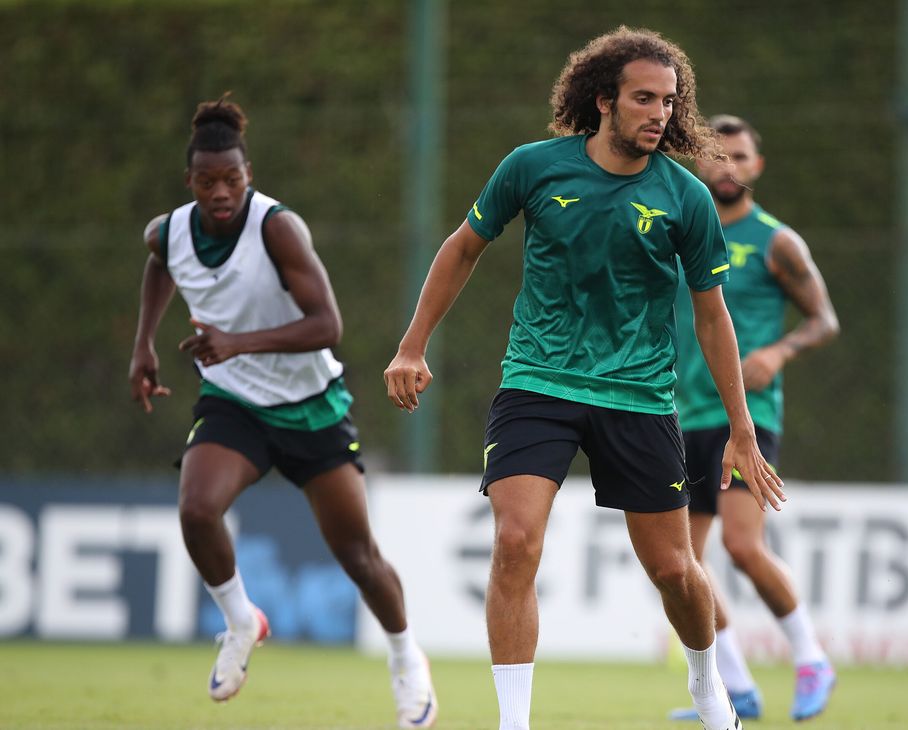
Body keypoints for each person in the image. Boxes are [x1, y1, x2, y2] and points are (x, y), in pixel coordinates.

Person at [384, 27, 786, 730]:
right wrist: (411, 345)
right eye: (643, 99)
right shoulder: (533, 168)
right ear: (604, 101)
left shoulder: (686, 198)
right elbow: (463, 247)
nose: (659, 113)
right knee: (514, 541)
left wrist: (740, 429)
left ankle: (706, 681)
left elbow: (713, 319)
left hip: (638, 397)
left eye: (668, 100)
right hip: (538, 382)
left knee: (674, 571)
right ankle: (515, 724)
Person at [128, 95, 437, 728]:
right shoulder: (168, 230)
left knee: (358, 556)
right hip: (235, 402)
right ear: (189, 182)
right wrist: (143, 347)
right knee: (196, 508)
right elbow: (160, 263)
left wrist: (234, 342)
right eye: (208, 182)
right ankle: (241, 619)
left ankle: (407, 660)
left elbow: (328, 324)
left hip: (311, 409)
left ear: (249, 177)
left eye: (233, 180)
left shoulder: (275, 228)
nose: (221, 193)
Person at [668, 115, 840, 723]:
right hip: (681, 414)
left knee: (741, 545)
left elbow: (825, 319)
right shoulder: (681, 233)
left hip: (746, 416)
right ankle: (733, 686)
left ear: (756, 167)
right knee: (681, 567)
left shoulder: (776, 242)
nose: (729, 166)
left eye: (740, 157)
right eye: (718, 156)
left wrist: (779, 350)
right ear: (699, 163)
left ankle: (811, 656)